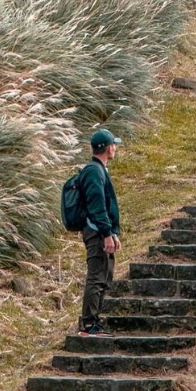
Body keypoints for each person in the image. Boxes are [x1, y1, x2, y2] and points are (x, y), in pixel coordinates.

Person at [78, 128, 123, 336]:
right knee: (96, 276)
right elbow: (98, 207)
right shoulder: (95, 172)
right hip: (96, 232)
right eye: (114, 144)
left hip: (100, 231)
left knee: (103, 275)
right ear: (108, 148)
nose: (115, 148)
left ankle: (93, 322)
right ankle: (88, 324)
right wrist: (107, 233)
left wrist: (113, 233)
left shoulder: (97, 170)